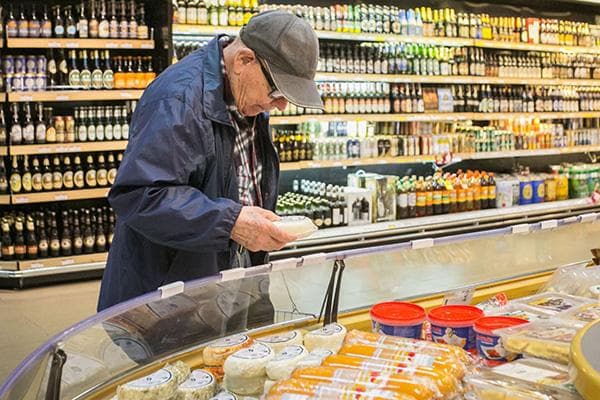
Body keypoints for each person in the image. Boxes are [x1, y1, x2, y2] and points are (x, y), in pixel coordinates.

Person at [97, 10, 323, 311]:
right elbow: (139, 195)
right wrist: (230, 222)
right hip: (170, 294)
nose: (280, 105)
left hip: (229, 272)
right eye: (277, 91)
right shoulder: (177, 99)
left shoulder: (248, 96)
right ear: (244, 61)